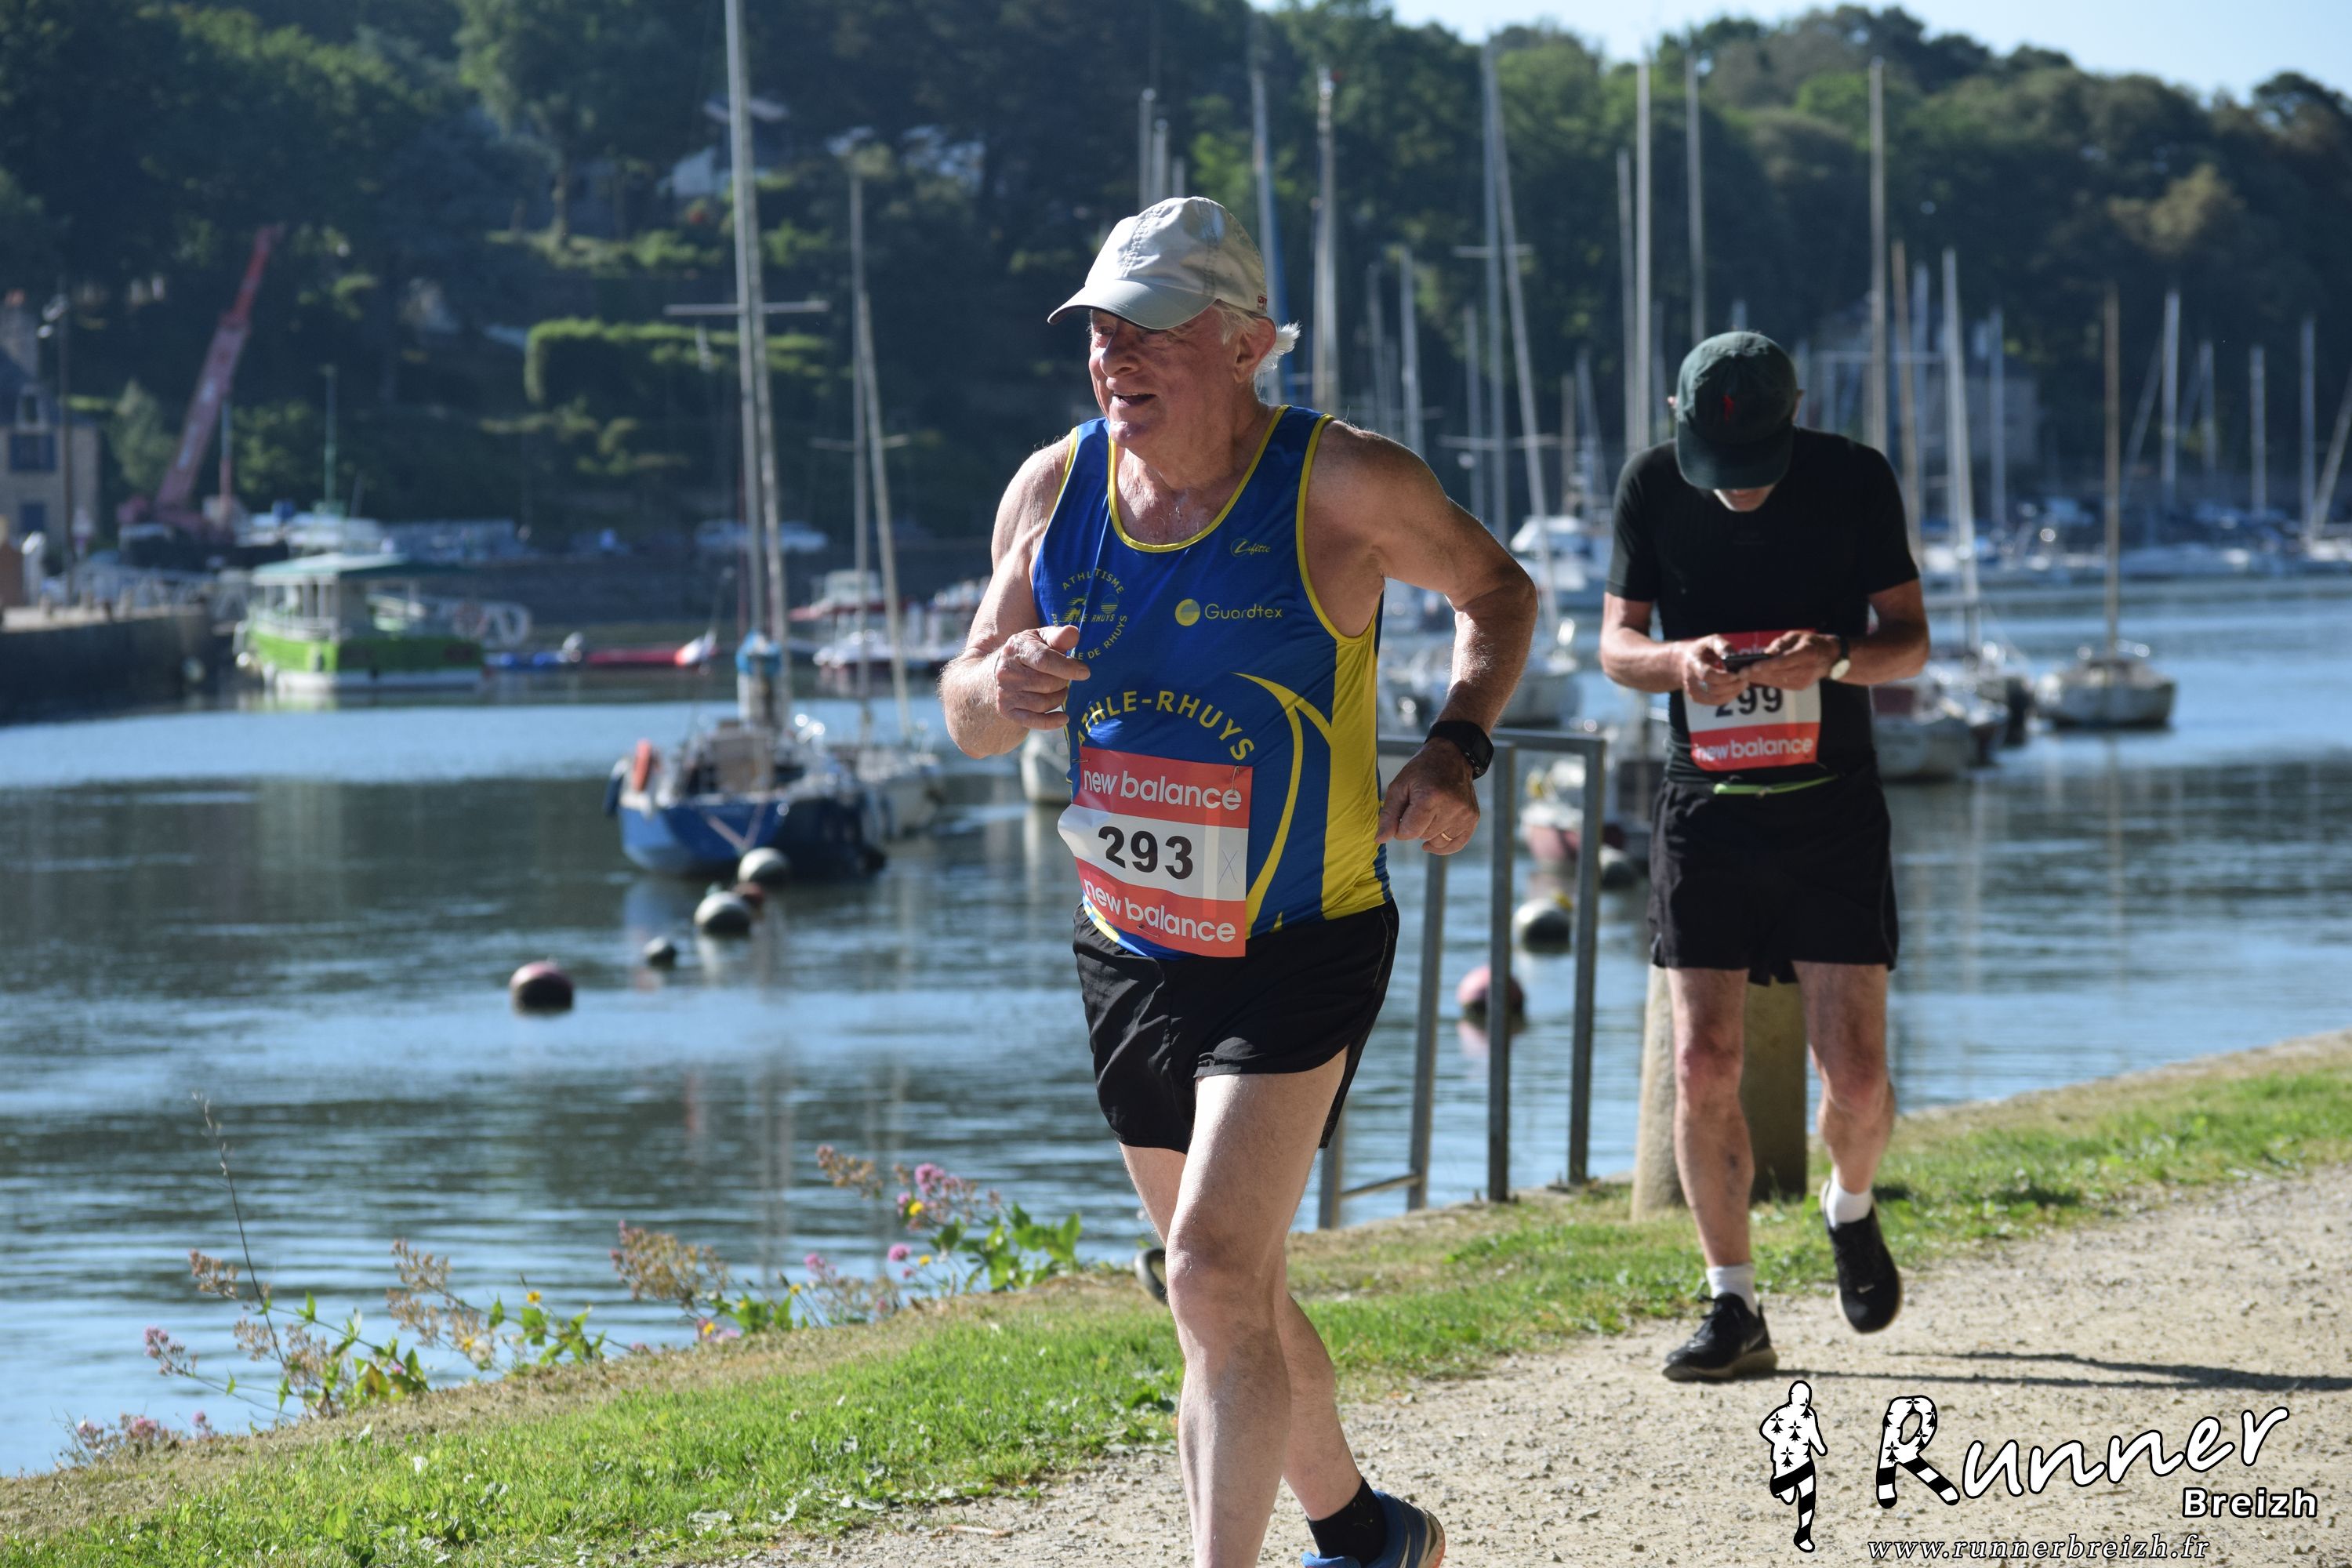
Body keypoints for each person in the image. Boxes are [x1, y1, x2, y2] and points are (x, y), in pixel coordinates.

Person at [942, 195, 1534, 1568]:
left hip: (1301, 939)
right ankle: (1366, 1533)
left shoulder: (1342, 483)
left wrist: (1455, 748)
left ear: (1249, 344)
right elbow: (964, 714)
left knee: (1209, 1274)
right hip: (1131, 945)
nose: (1116, 357)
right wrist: (1000, 681)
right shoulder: (1053, 491)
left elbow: (1499, 593)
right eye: (1100, 330)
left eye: (1151, 329)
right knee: (1224, 1291)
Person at [1598, 331, 1928, 1383]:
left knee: (1857, 1077)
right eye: (1719, 466)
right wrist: (1675, 661)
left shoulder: (1854, 479)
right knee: (1703, 1065)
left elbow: (1911, 640)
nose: (1736, 487)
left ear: (1798, 415)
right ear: (1678, 421)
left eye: (1755, 466)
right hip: (1706, 811)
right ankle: (1733, 1302)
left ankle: (1850, 1207)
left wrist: (1837, 658)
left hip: (1832, 808)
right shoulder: (1652, 484)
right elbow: (1614, 646)